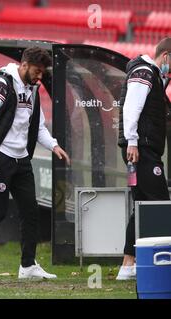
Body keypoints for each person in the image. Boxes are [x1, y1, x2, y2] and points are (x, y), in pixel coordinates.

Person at [0, 47, 70, 279]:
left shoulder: (33, 89)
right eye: (37, 71)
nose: (40, 77)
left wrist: (54, 145)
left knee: (31, 212)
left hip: (21, 159)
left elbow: (37, 127)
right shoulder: (1, 83)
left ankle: (27, 266)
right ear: (25, 64)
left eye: (42, 72)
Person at [116, 37, 171, 280]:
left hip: (141, 148)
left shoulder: (153, 74)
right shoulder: (144, 72)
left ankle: (128, 265)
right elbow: (131, 108)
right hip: (141, 149)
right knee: (160, 203)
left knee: (141, 205)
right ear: (167, 55)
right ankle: (157, 262)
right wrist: (133, 142)